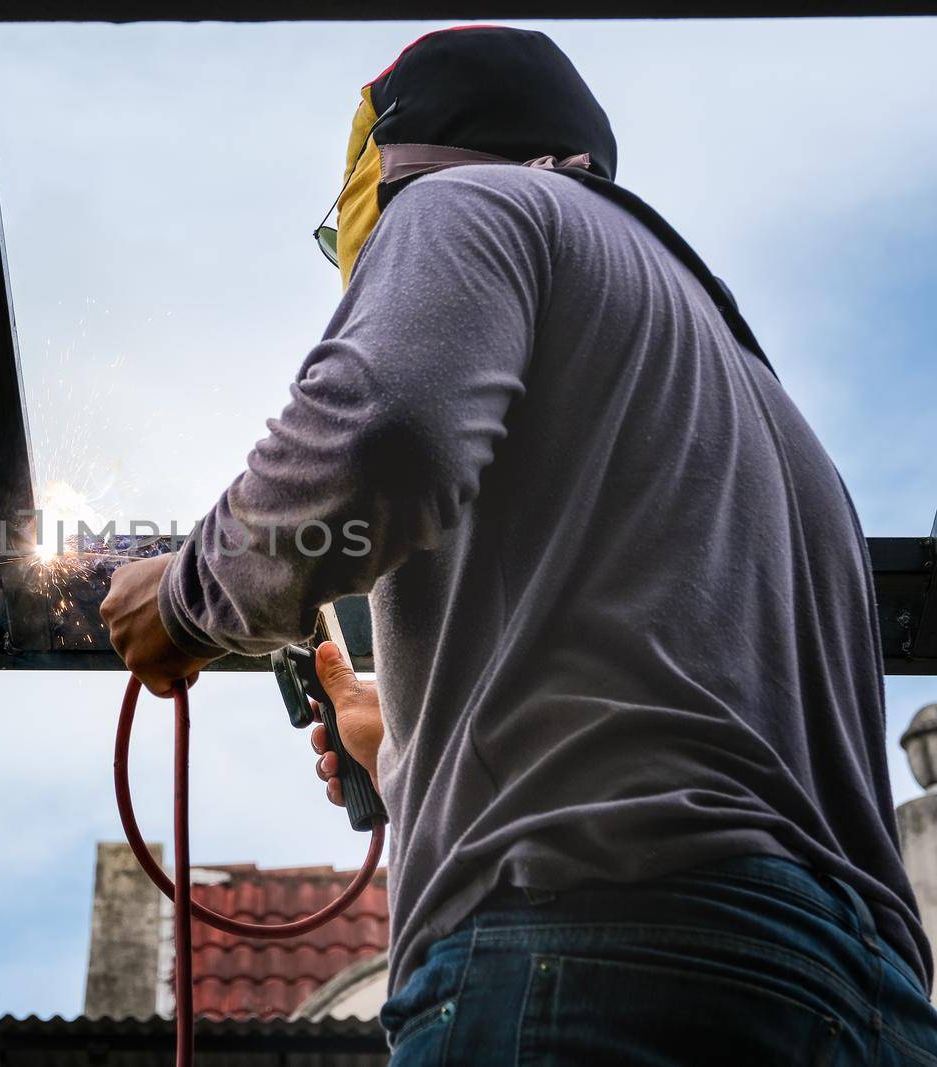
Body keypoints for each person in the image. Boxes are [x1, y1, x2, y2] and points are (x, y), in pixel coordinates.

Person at [99, 25, 937, 1064]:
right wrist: (402, 757)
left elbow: (386, 433)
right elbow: (685, 744)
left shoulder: (465, 201)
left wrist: (186, 597)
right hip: (859, 1000)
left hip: (583, 952)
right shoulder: (773, 422)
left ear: (389, 161)